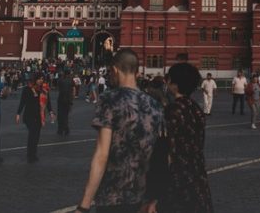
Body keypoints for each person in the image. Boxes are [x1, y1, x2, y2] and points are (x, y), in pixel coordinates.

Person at [74, 50, 164, 213]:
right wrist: (154, 198)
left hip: (112, 195)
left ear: (115, 70)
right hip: (142, 197)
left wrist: (84, 205)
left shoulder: (110, 99)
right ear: (137, 71)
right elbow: (160, 155)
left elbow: (102, 155)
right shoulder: (154, 105)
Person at [146, 62, 214, 213]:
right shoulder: (196, 108)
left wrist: (155, 196)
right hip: (197, 176)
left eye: (169, 79)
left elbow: (164, 152)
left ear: (175, 85)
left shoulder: (173, 110)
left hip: (178, 181)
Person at [16, 74, 54, 163]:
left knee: (36, 136)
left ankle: (33, 153)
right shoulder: (27, 89)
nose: (41, 80)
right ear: (35, 79)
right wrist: (18, 113)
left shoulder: (44, 90)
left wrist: (51, 112)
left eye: (42, 79)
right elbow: (22, 102)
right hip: (29, 115)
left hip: (39, 115)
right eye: (39, 79)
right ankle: (30, 154)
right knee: (32, 134)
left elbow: (48, 102)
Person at [57, 71, 74, 136]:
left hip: (61, 99)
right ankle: (66, 129)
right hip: (68, 100)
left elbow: (59, 88)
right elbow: (73, 90)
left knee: (60, 115)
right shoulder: (71, 81)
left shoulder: (60, 80)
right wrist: (71, 100)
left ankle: (60, 129)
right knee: (65, 115)